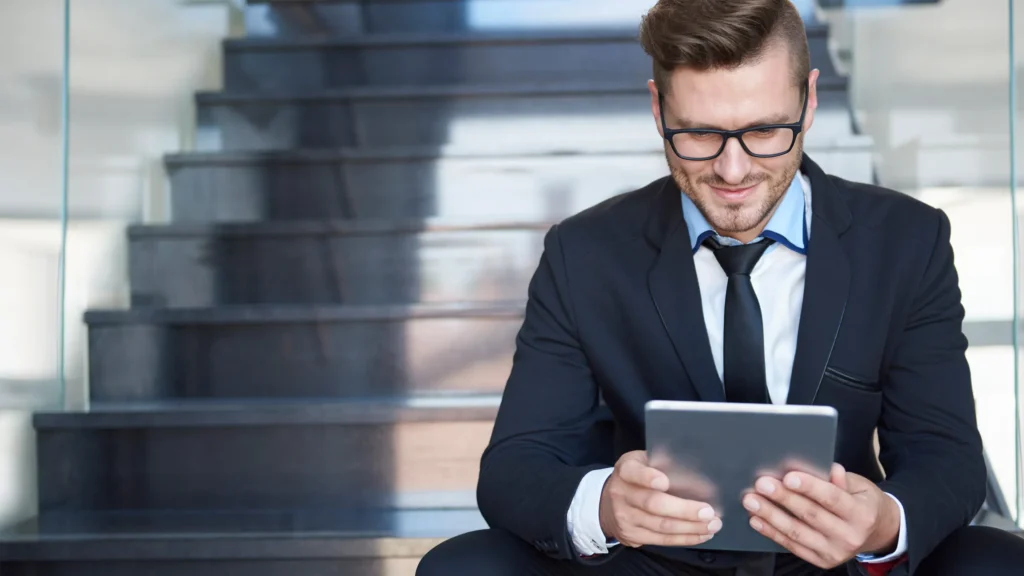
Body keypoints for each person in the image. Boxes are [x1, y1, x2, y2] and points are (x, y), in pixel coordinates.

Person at [417, 0, 1024, 574]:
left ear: (809, 102)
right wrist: (606, 505)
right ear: (658, 110)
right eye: (699, 134)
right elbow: (514, 468)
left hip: (832, 563)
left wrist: (880, 525)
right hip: (653, 559)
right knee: (464, 565)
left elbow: (946, 456)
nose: (733, 172)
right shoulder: (583, 253)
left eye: (764, 131)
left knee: (997, 560)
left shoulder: (906, 240)